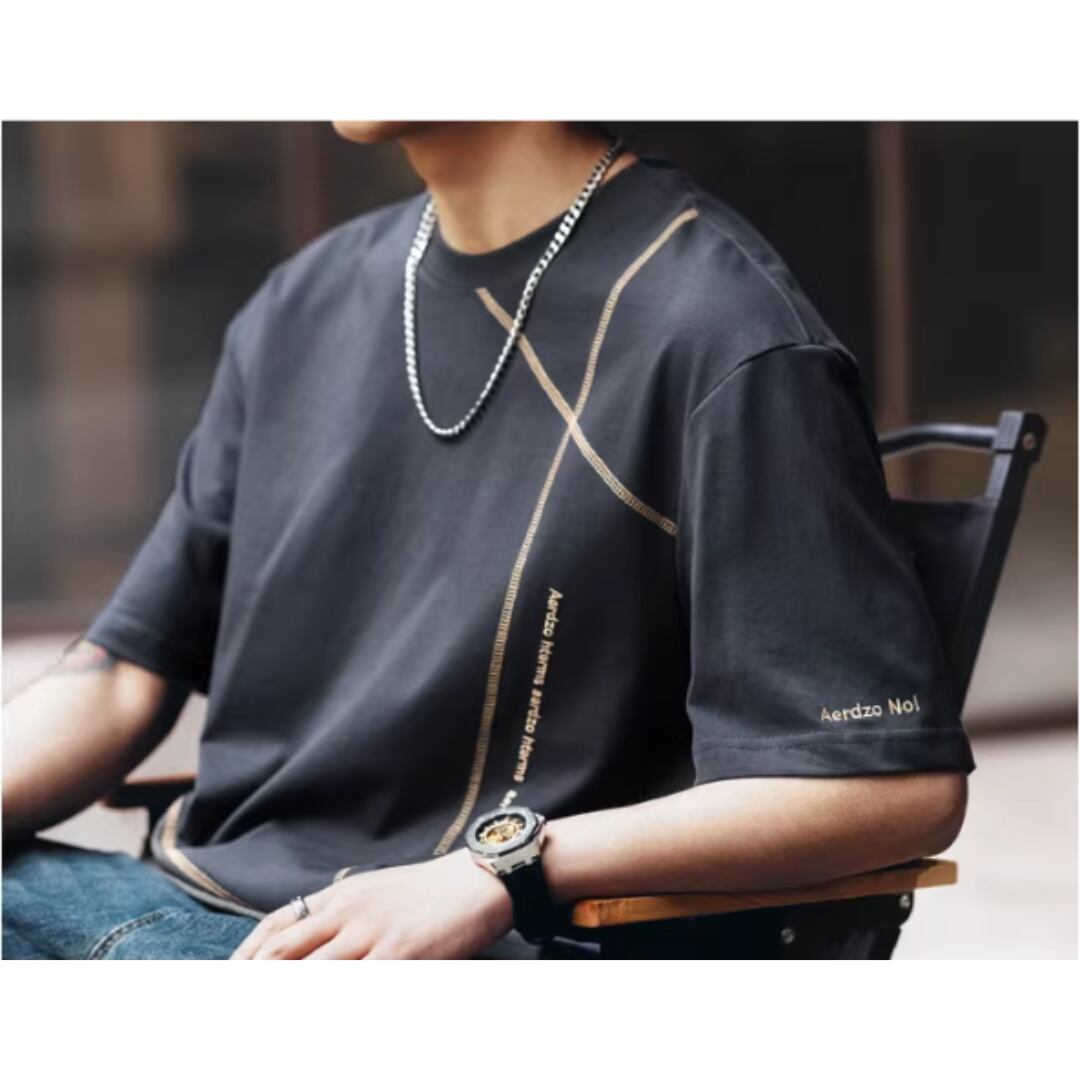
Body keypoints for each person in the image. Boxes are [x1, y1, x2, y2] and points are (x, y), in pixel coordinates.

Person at [2, 121, 974, 960]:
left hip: (428, 951)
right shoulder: (302, 301)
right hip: (174, 906)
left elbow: (894, 790)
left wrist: (501, 868)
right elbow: (119, 677)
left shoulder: (722, 330)